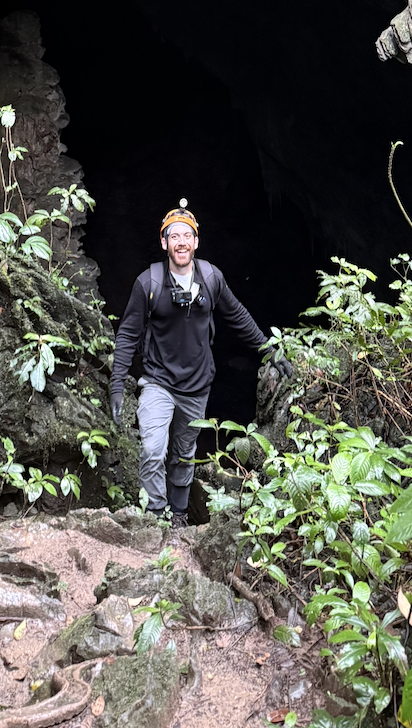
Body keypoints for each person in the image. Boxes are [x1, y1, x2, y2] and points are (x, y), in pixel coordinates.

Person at [109, 200, 291, 527]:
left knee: (183, 456)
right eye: (173, 236)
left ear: (196, 242)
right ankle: (155, 519)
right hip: (158, 383)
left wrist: (270, 350)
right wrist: (116, 385)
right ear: (163, 242)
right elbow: (127, 335)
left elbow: (237, 315)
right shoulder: (148, 283)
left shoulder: (210, 277)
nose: (181, 242)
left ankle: (178, 517)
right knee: (152, 450)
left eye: (187, 236)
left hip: (196, 389)